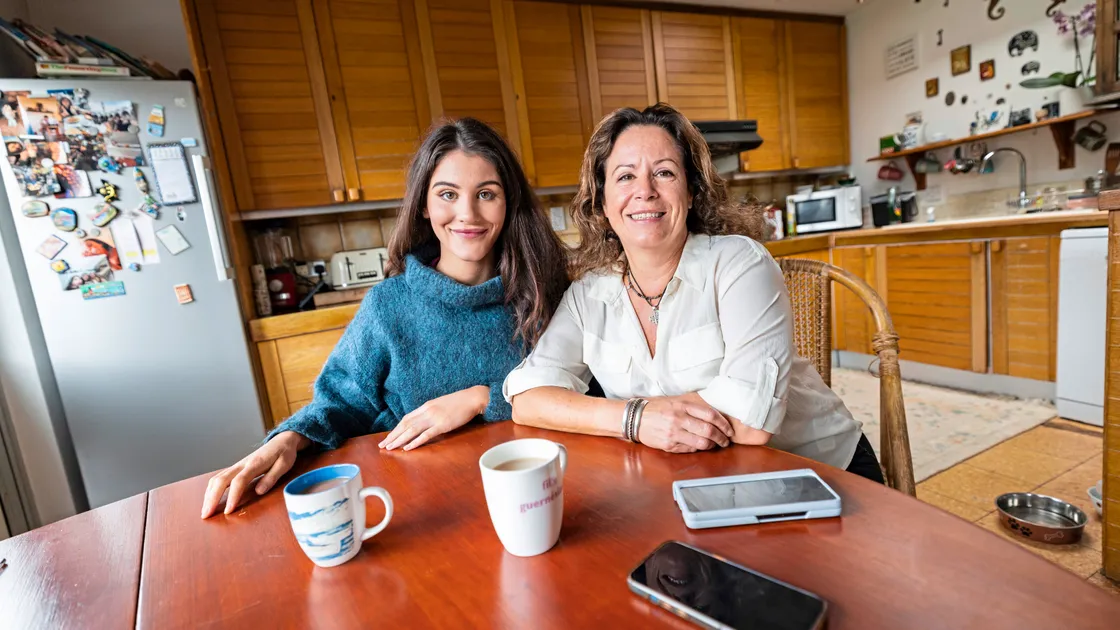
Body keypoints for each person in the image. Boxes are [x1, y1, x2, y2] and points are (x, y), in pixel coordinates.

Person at [200, 118, 570, 518]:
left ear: (509, 203)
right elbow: (341, 402)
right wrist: (290, 437)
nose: (467, 213)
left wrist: (482, 398)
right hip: (419, 508)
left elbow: (582, 389)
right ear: (424, 206)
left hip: (532, 499)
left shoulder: (546, 294)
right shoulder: (388, 305)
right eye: (447, 193)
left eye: (486, 193)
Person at [504, 104, 883, 482]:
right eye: (625, 177)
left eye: (664, 173)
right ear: (602, 204)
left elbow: (752, 424)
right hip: (700, 480)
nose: (645, 192)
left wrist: (621, 416)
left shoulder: (738, 264)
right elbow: (528, 398)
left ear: (690, 192)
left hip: (821, 472)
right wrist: (636, 419)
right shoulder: (589, 293)